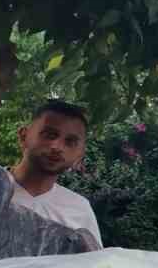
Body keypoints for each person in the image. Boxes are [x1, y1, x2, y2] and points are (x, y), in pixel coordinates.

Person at [9, 99, 101, 248]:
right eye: (49, 135)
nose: (57, 147)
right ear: (23, 136)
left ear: (80, 153)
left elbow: (89, 267)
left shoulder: (79, 209)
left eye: (70, 142)